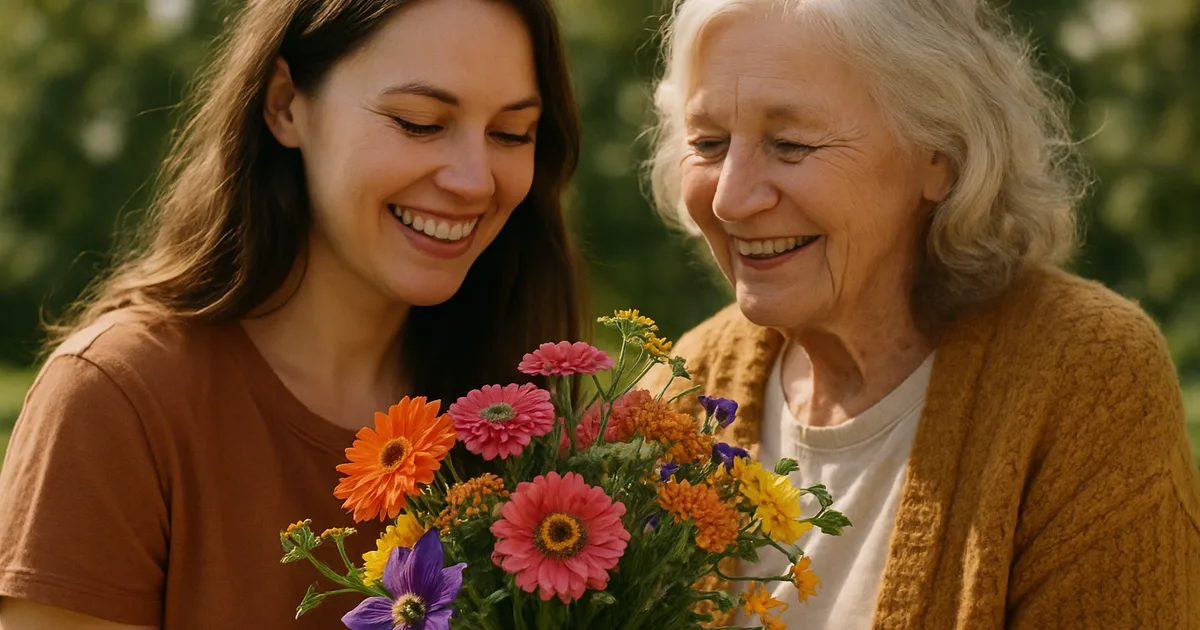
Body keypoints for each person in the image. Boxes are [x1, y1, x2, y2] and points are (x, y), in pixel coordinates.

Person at [0, 0, 583, 628]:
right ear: (284, 105)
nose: (474, 180)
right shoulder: (118, 400)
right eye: (418, 122)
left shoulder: (528, 416)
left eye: (510, 134)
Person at [644, 0, 1200, 627]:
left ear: (940, 155)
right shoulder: (677, 389)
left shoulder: (1088, 376)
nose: (730, 198)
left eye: (791, 144)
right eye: (708, 143)